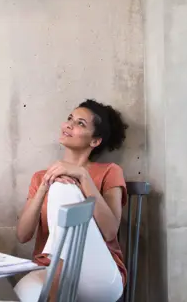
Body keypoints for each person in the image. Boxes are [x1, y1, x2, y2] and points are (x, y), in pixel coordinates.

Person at [14, 99, 129, 302]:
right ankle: (57, 287)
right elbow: (23, 235)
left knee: (64, 187)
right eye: (70, 119)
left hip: (98, 276)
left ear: (95, 141)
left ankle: (56, 294)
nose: (68, 125)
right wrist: (45, 186)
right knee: (21, 296)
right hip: (47, 270)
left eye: (80, 123)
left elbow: (111, 231)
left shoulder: (110, 171)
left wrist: (82, 177)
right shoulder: (42, 177)